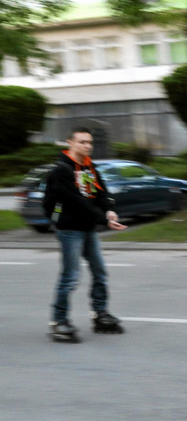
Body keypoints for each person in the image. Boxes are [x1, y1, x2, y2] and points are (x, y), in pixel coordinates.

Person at [45, 126, 127, 342]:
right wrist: (103, 218)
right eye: (82, 142)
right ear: (70, 143)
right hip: (70, 229)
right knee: (70, 277)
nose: (87, 146)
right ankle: (58, 320)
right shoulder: (61, 170)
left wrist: (109, 208)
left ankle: (99, 313)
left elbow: (102, 193)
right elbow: (76, 201)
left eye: (89, 142)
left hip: (88, 228)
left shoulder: (90, 168)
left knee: (100, 272)